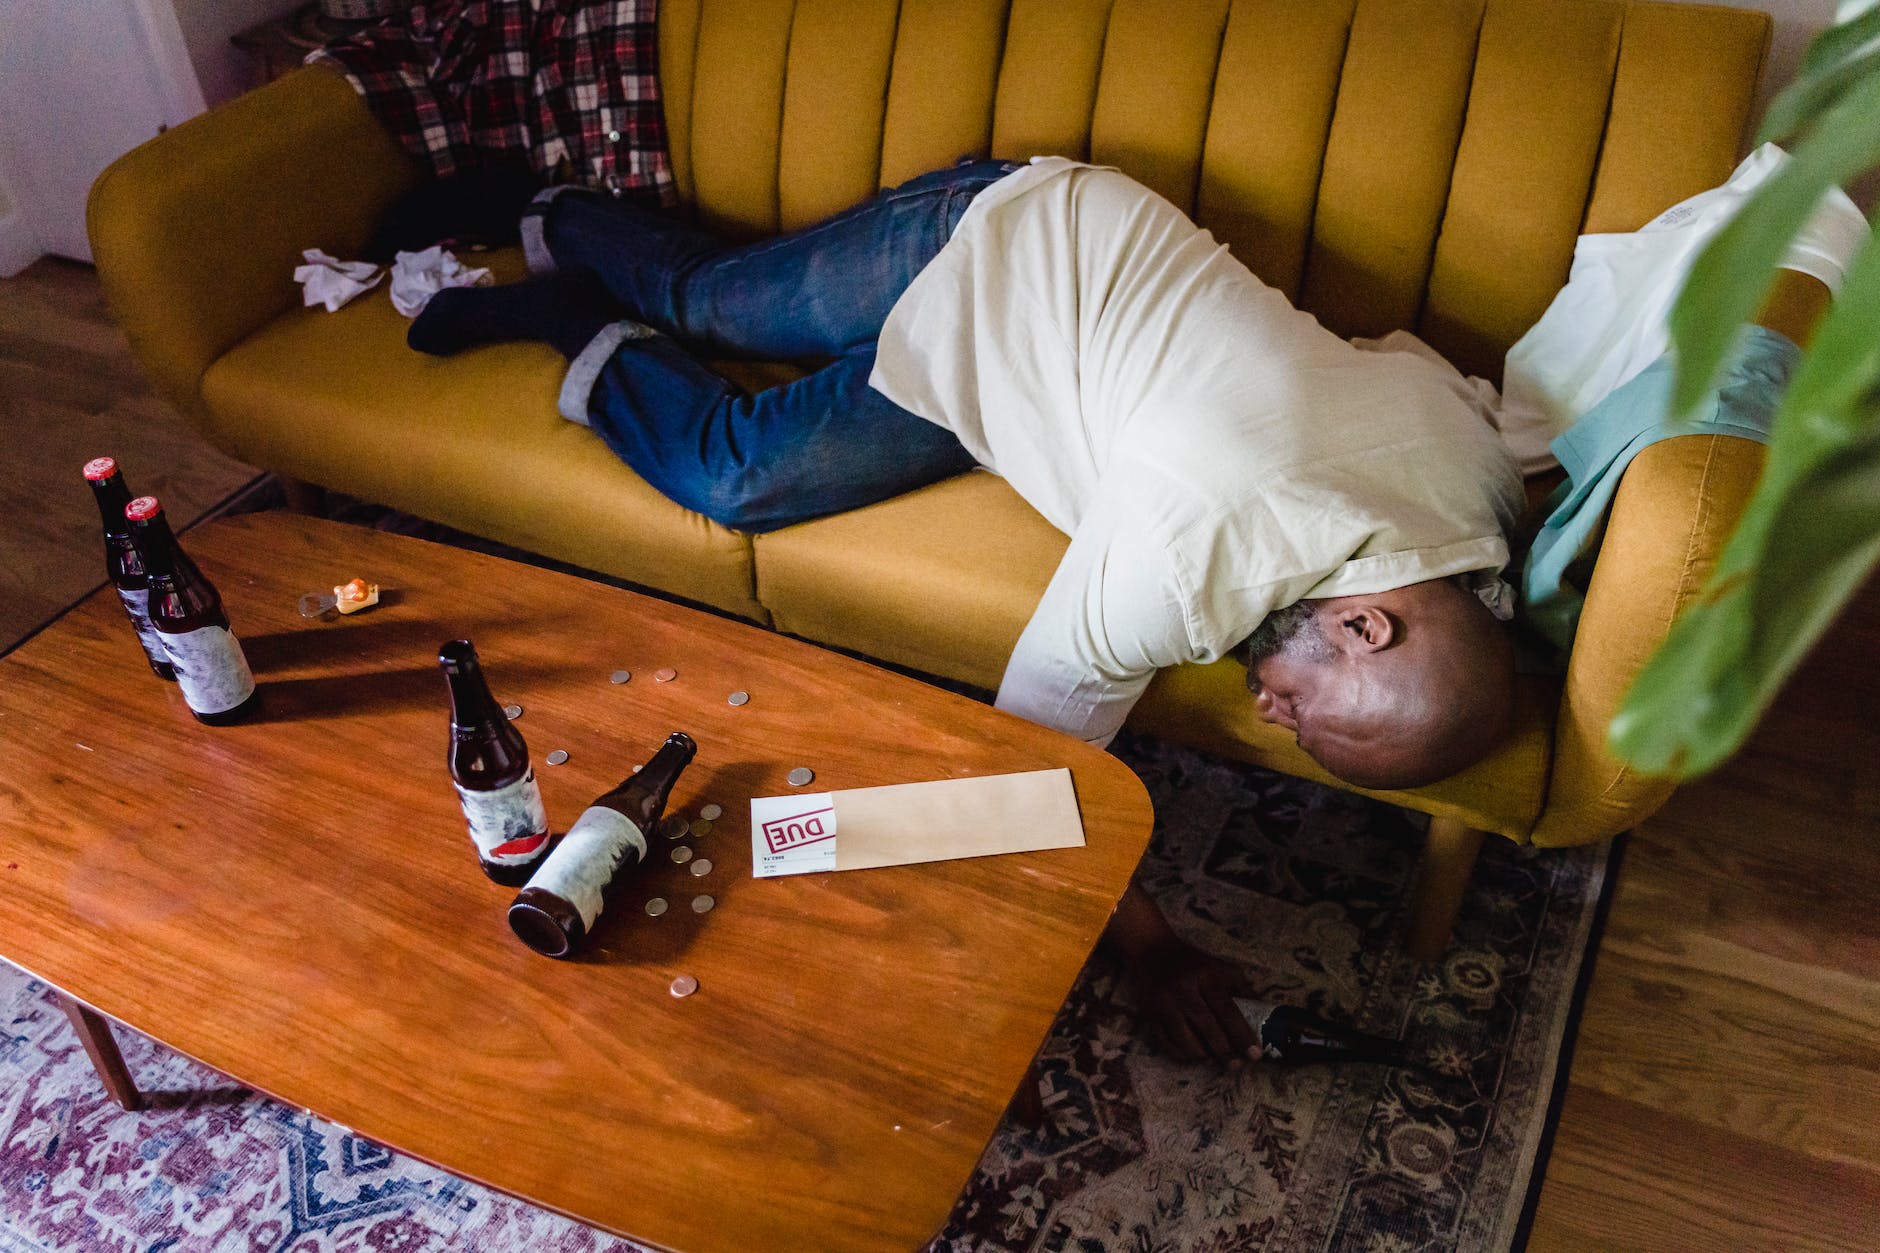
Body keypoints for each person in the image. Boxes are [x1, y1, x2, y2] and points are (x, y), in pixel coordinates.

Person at [410, 157, 1526, 1063]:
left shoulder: (1472, 500)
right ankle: (541, 202)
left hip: (1028, 377)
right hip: (999, 244)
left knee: (741, 456)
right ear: (1363, 621)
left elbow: (1411, 373)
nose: (1278, 720)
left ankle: (566, 313)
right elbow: (1028, 767)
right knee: (716, 357)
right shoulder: (1193, 548)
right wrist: (1145, 947)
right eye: (1308, 711)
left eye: (1296, 732)